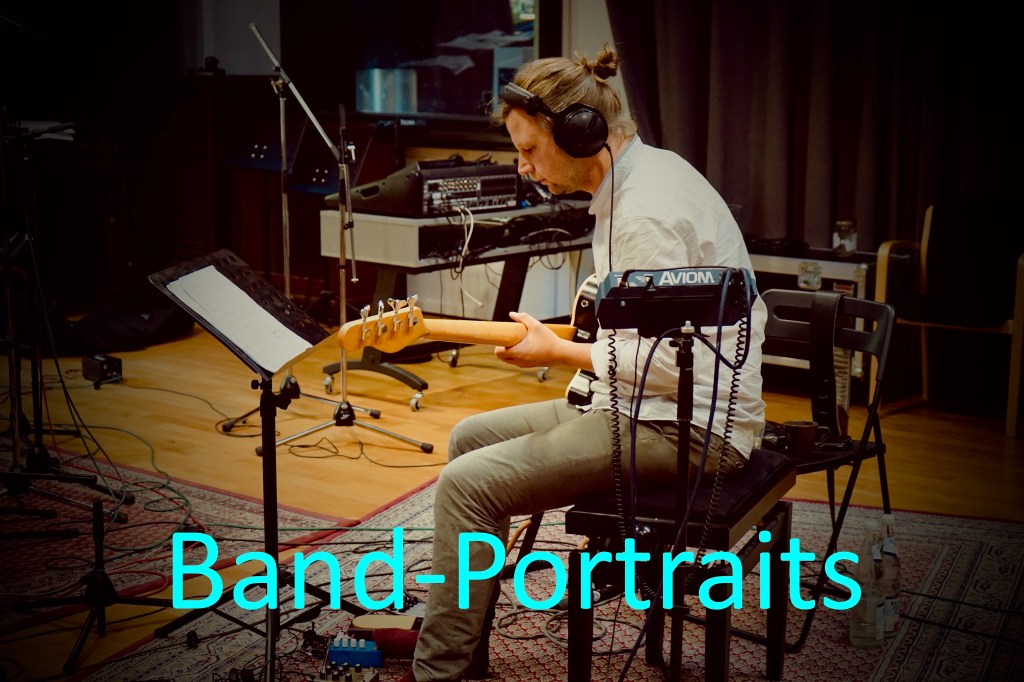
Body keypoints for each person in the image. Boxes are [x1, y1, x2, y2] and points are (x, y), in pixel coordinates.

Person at [400, 45, 767, 681]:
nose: (524, 167)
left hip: (691, 428)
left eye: (529, 149)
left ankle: (439, 673)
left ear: (578, 133)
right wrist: (563, 340)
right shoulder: (637, 179)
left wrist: (559, 351)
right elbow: (638, 331)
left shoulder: (645, 213)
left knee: (467, 484)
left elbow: (669, 364)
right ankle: (464, 641)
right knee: (468, 438)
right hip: (642, 405)